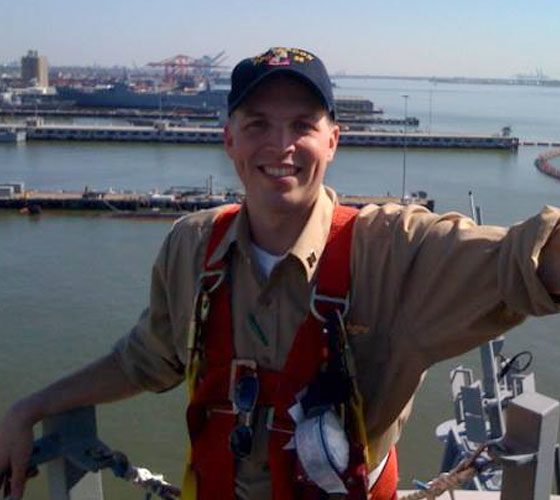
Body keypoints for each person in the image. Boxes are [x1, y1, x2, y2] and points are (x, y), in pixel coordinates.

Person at [1, 46, 560, 500]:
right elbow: (146, 359)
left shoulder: (393, 251)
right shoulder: (193, 247)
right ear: (229, 139)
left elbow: (522, 262)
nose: (281, 145)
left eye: (302, 124)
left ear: (334, 140)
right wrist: (31, 407)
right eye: (258, 123)